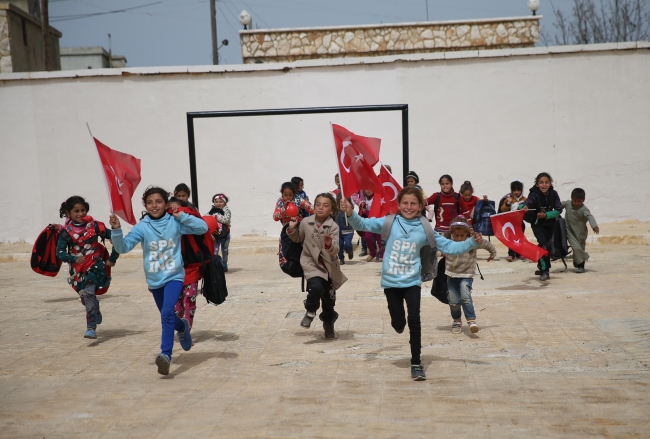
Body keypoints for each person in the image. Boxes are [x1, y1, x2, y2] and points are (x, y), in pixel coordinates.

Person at [340, 187, 483, 381]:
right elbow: (363, 224)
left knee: (415, 319)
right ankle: (399, 324)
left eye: (413, 203)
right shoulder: (389, 222)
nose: (409, 207)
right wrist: (349, 212)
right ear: (399, 204)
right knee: (399, 323)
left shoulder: (425, 228)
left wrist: (472, 243)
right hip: (391, 282)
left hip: (412, 281)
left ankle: (416, 363)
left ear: (421, 206)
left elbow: (450, 246)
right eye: (405, 203)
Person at [110, 186, 209, 375]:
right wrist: (116, 230)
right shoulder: (142, 227)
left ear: (166, 203)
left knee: (166, 313)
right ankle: (183, 327)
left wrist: (181, 215)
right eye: (150, 202)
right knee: (170, 316)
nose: (154, 205)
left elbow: (202, 227)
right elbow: (123, 248)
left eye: (158, 201)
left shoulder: (175, 221)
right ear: (145, 205)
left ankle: (166, 355)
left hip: (174, 276)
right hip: (155, 280)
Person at [56, 196, 119, 339]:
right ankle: (95, 309)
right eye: (76, 211)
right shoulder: (66, 232)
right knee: (86, 297)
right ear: (68, 213)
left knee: (89, 292)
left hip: (95, 267)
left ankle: (91, 327)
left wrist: (112, 258)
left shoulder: (96, 226)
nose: (80, 214)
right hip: (77, 272)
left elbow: (116, 237)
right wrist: (73, 259)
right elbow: (59, 253)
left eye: (82, 210)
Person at [288, 193, 347, 339]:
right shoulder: (306, 222)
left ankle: (328, 323)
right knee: (316, 287)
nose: (321, 208)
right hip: (311, 264)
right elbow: (297, 238)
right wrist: (292, 229)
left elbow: (336, 250)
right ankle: (310, 310)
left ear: (332, 210)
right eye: (318, 204)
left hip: (328, 266)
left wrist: (328, 244)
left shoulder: (333, 227)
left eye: (325, 205)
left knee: (328, 300)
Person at [167, 197, 212, 337]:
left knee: (189, 300)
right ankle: (180, 326)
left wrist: (181, 215)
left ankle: (186, 330)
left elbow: (203, 227)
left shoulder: (188, 220)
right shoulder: (165, 222)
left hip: (191, 267)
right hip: (172, 270)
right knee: (175, 304)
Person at [443, 216, 496, 334]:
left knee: (465, 296)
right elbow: (436, 248)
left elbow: (486, 244)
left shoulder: (472, 241)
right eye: (456, 236)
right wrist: (440, 253)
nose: (459, 239)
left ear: (467, 233)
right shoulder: (447, 241)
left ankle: (471, 320)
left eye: (462, 236)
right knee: (453, 301)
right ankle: (456, 320)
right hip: (451, 276)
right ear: (452, 233)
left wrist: (493, 253)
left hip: (466, 275)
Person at [521, 173, 563, 281]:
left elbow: (558, 210)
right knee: (544, 246)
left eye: (546, 182)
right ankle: (545, 271)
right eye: (541, 182)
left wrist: (547, 215)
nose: (544, 185)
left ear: (550, 183)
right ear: (537, 184)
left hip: (550, 225)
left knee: (546, 247)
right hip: (538, 225)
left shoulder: (554, 194)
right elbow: (527, 203)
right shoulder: (534, 195)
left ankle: (541, 265)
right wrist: (524, 206)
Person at [562, 188, 599, 273]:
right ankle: (585, 256)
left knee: (580, 248)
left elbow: (590, 216)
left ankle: (580, 266)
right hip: (570, 231)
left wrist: (594, 226)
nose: (576, 203)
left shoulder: (584, 209)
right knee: (576, 247)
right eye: (575, 201)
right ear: (571, 198)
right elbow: (558, 205)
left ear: (583, 200)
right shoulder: (568, 204)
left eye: (579, 201)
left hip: (581, 233)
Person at [498, 180, 527, 262]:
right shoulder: (508, 198)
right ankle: (511, 254)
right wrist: (508, 203)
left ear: (521, 190)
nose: (516, 192)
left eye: (518, 190)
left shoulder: (524, 199)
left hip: (520, 222)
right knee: (511, 238)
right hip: (510, 223)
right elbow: (503, 209)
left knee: (520, 238)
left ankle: (519, 253)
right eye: (514, 190)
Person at [208, 193, 232, 272]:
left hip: (225, 235)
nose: (218, 204)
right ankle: (215, 264)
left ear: (225, 203)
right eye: (216, 202)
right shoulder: (212, 210)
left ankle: (224, 264)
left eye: (221, 202)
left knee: (224, 250)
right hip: (215, 234)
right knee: (215, 250)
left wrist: (216, 216)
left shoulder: (226, 210)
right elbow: (207, 218)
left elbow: (226, 219)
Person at [358, 190, 384, 262]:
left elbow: (377, 211)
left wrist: (366, 211)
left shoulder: (377, 198)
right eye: (366, 188)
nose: (368, 190)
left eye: (371, 189)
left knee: (380, 240)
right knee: (367, 237)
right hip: (370, 222)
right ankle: (372, 253)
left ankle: (382, 254)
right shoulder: (364, 199)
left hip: (378, 222)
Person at [335, 193, 354, 264]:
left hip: (348, 231)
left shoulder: (350, 210)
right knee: (339, 246)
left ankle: (350, 250)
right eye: (341, 203)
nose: (343, 205)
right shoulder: (336, 211)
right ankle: (341, 259)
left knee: (347, 244)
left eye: (345, 202)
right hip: (339, 232)